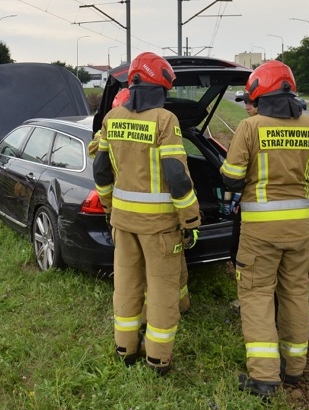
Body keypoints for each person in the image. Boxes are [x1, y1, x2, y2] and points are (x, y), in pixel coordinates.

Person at [220, 60, 309, 398]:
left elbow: (230, 176)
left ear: (258, 93)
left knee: (256, 296)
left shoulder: (251, 127)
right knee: (296, 293)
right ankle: (295, 368)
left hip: (259, 232)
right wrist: (299, 188)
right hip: (299, 229)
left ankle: (264, 377)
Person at [93, 52, 201, 375]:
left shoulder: (111, 121)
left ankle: (125, 348)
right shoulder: (165, 121)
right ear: (160, 89)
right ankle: (157, 358)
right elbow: (177, 176)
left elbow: (101, 171)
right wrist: (191, 219)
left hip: (123, 224)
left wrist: (109, 205)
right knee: (162, 290)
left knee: (126, 285)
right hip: (159, 229)